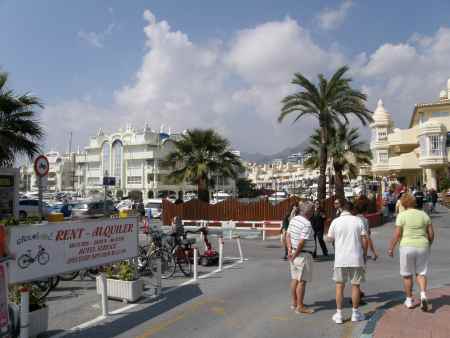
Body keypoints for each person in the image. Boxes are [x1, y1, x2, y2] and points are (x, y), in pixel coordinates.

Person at [388, 193, 434, 311]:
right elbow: (431, 234)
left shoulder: (402, 216)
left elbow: (398, 234)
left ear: (403, 203)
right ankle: (423, 294)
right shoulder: (424, 215)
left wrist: (391, 248)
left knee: (407, 275)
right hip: (422, 245)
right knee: (421, 273)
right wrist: (428, 244)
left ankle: (409, 300)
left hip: (407, 246)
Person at [327, 200, 368, 324]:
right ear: (352, 210)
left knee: (339, 286)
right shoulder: (358, 221)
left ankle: (339, 314)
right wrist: (364, 255)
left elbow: (329, 238)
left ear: (342, 209)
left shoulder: (336, 221)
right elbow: (365, 240)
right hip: (356, 258)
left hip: (340, 259)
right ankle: (355, 313)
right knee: (355, 286)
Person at [286, 201, 315, 314]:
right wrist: (296, 253)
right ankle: (300, 306)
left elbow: (288, 235)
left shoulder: (294, 219)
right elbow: (302, 242)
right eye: (313, 210)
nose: (314, 212)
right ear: (309, 212)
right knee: (302, 281)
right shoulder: (306, 224)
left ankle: (295, 302)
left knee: (295, 279)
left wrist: (289, 250)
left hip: (293, 252)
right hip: (302, 254)